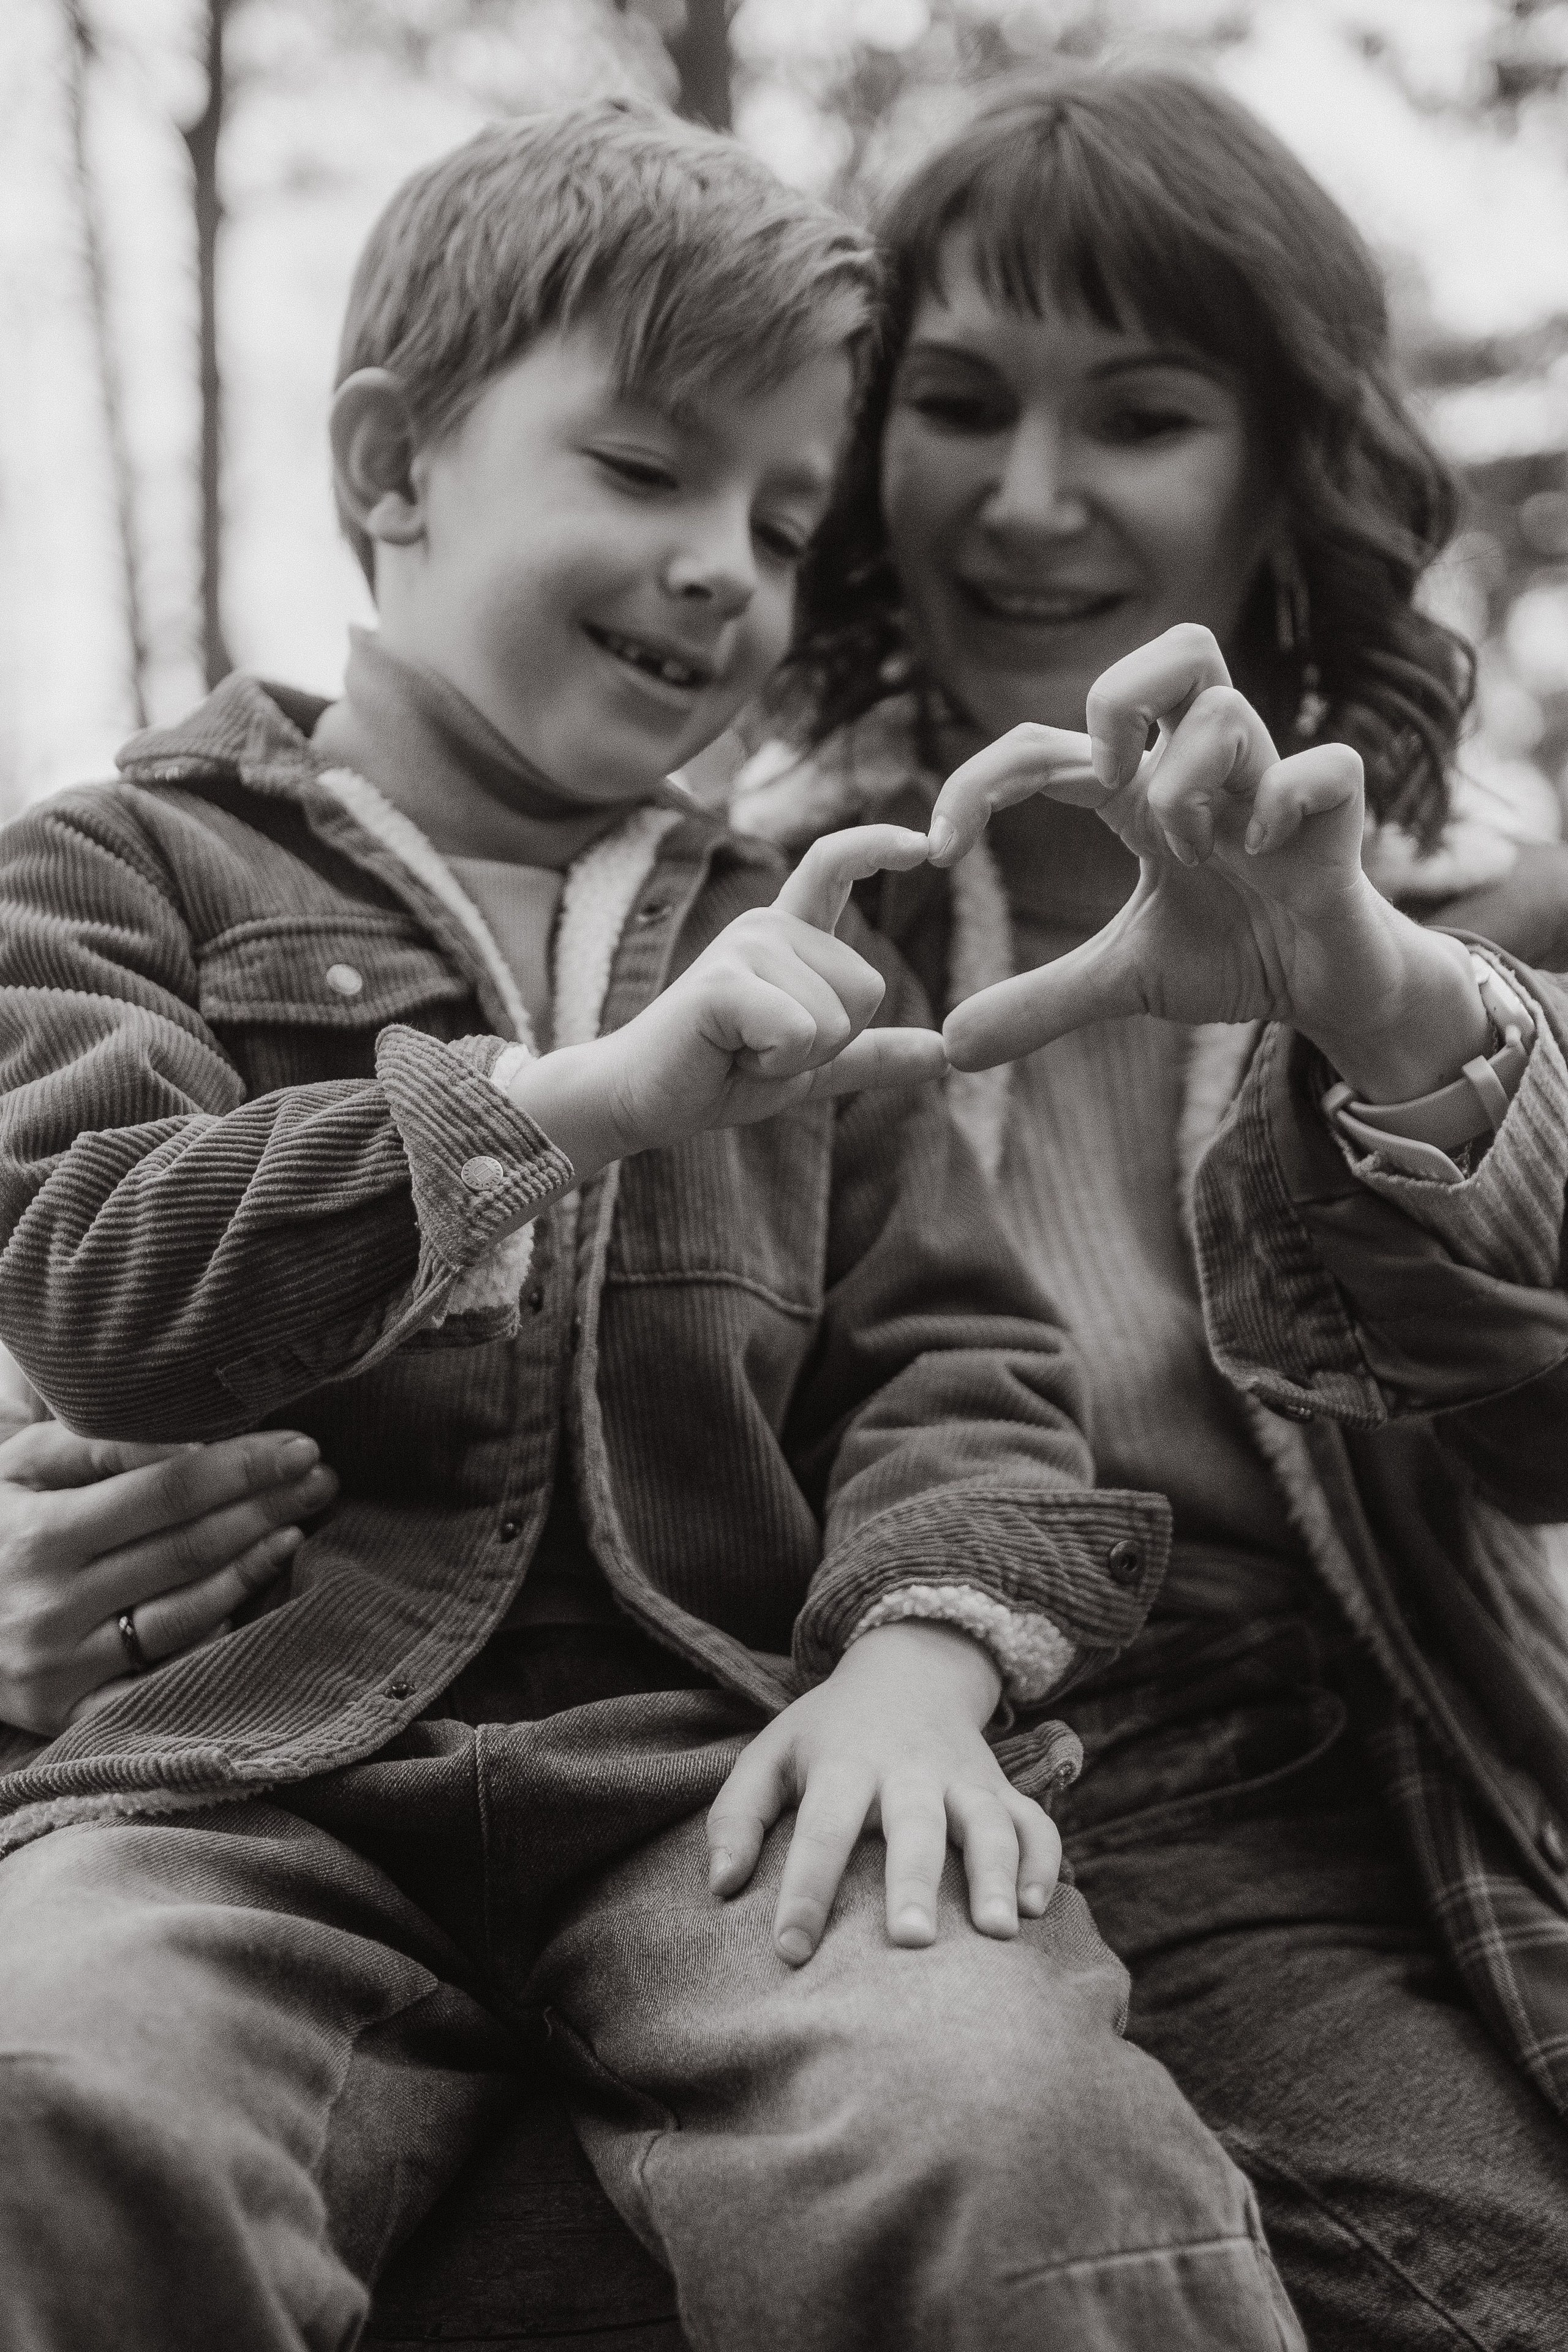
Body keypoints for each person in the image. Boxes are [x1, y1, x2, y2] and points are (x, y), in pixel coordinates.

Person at [0, 99, 1308, 2352]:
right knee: (60, 2083)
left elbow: (963, 1368)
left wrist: (918, 1674)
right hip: (230, 1788)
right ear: (396, 465)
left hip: (717, 1781)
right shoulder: (115, 874)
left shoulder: (810, 938)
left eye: (783, 519)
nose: (725, 564)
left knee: (1003, 2125)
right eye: (641, 471)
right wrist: (580, 1100)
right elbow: (99, 1285)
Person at [731, 62, 1568, 2351]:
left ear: (1287, 466)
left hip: (1354, 1745)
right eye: (960, 403)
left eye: (1138, 416)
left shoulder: (1459, 919)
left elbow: (1541, 1433)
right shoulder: (746, 912)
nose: (1026, 502)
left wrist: (1377, 1002)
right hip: (908, 1737)